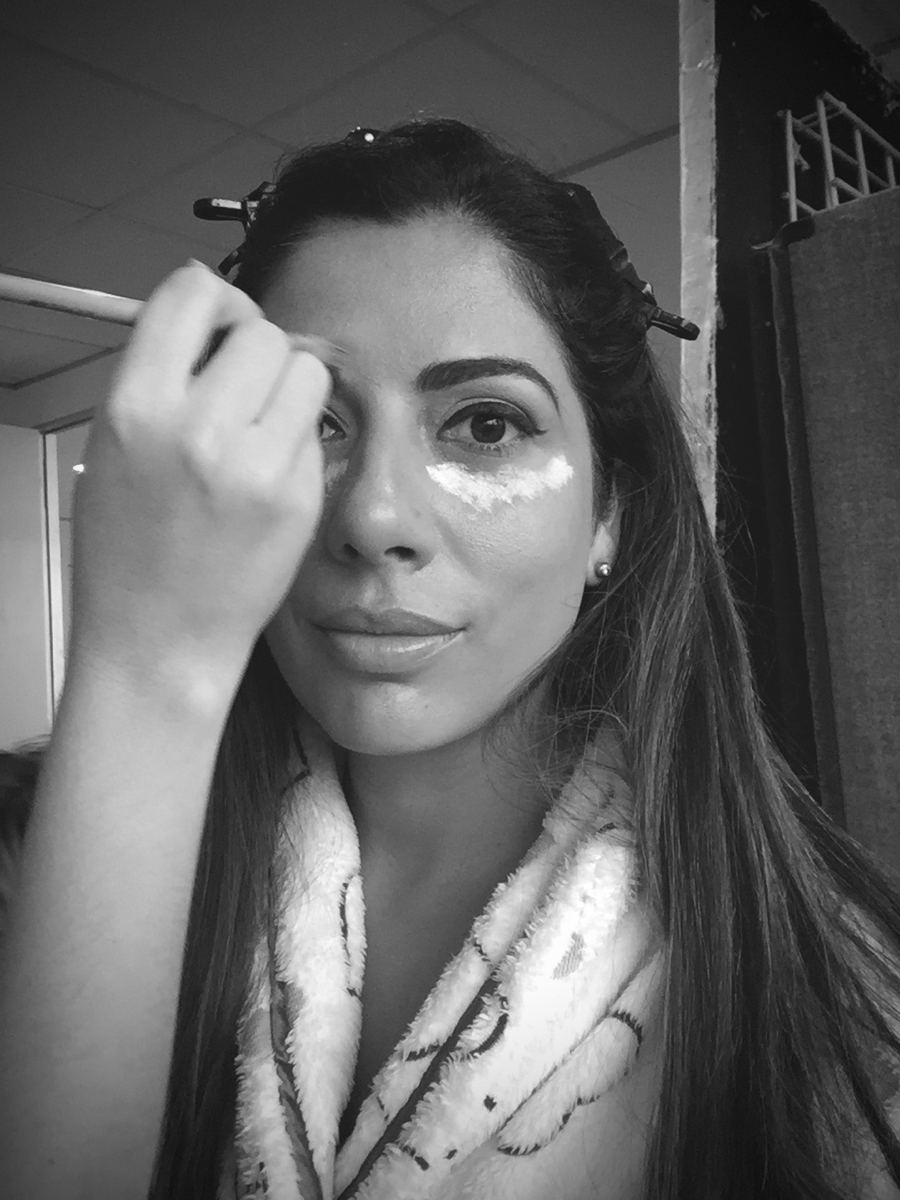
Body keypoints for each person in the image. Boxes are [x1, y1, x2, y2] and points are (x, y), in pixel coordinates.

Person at [1, 118, 899, 1200]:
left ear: (610, 510)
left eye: (484, 426)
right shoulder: (32, 857)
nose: (375, 518)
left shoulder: (837, 1007)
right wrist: (143, 671)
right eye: (315, 422)